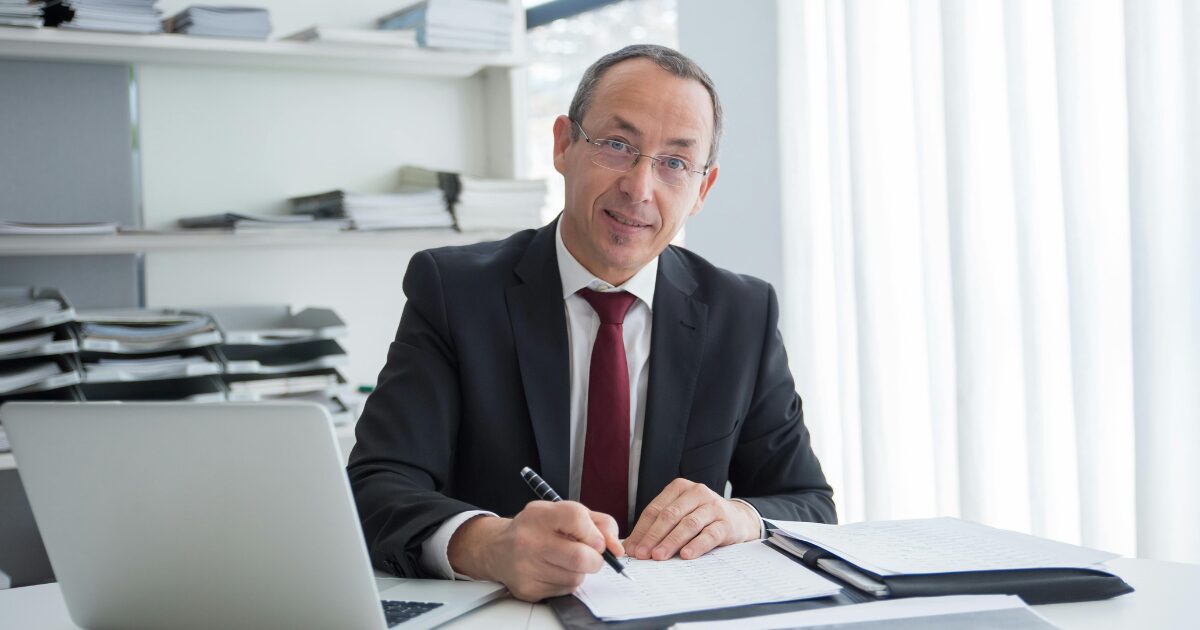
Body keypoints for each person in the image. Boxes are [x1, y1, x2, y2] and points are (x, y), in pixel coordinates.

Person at [347, 44, 835, 603]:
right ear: (563, 144)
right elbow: (375, 489)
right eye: (617, 145)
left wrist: (738, 516)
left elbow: (808, 501)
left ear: (702, 189)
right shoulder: (455, 292)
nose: (639, 187)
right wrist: (491, 545)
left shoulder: (741, 312)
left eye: (674, 162)